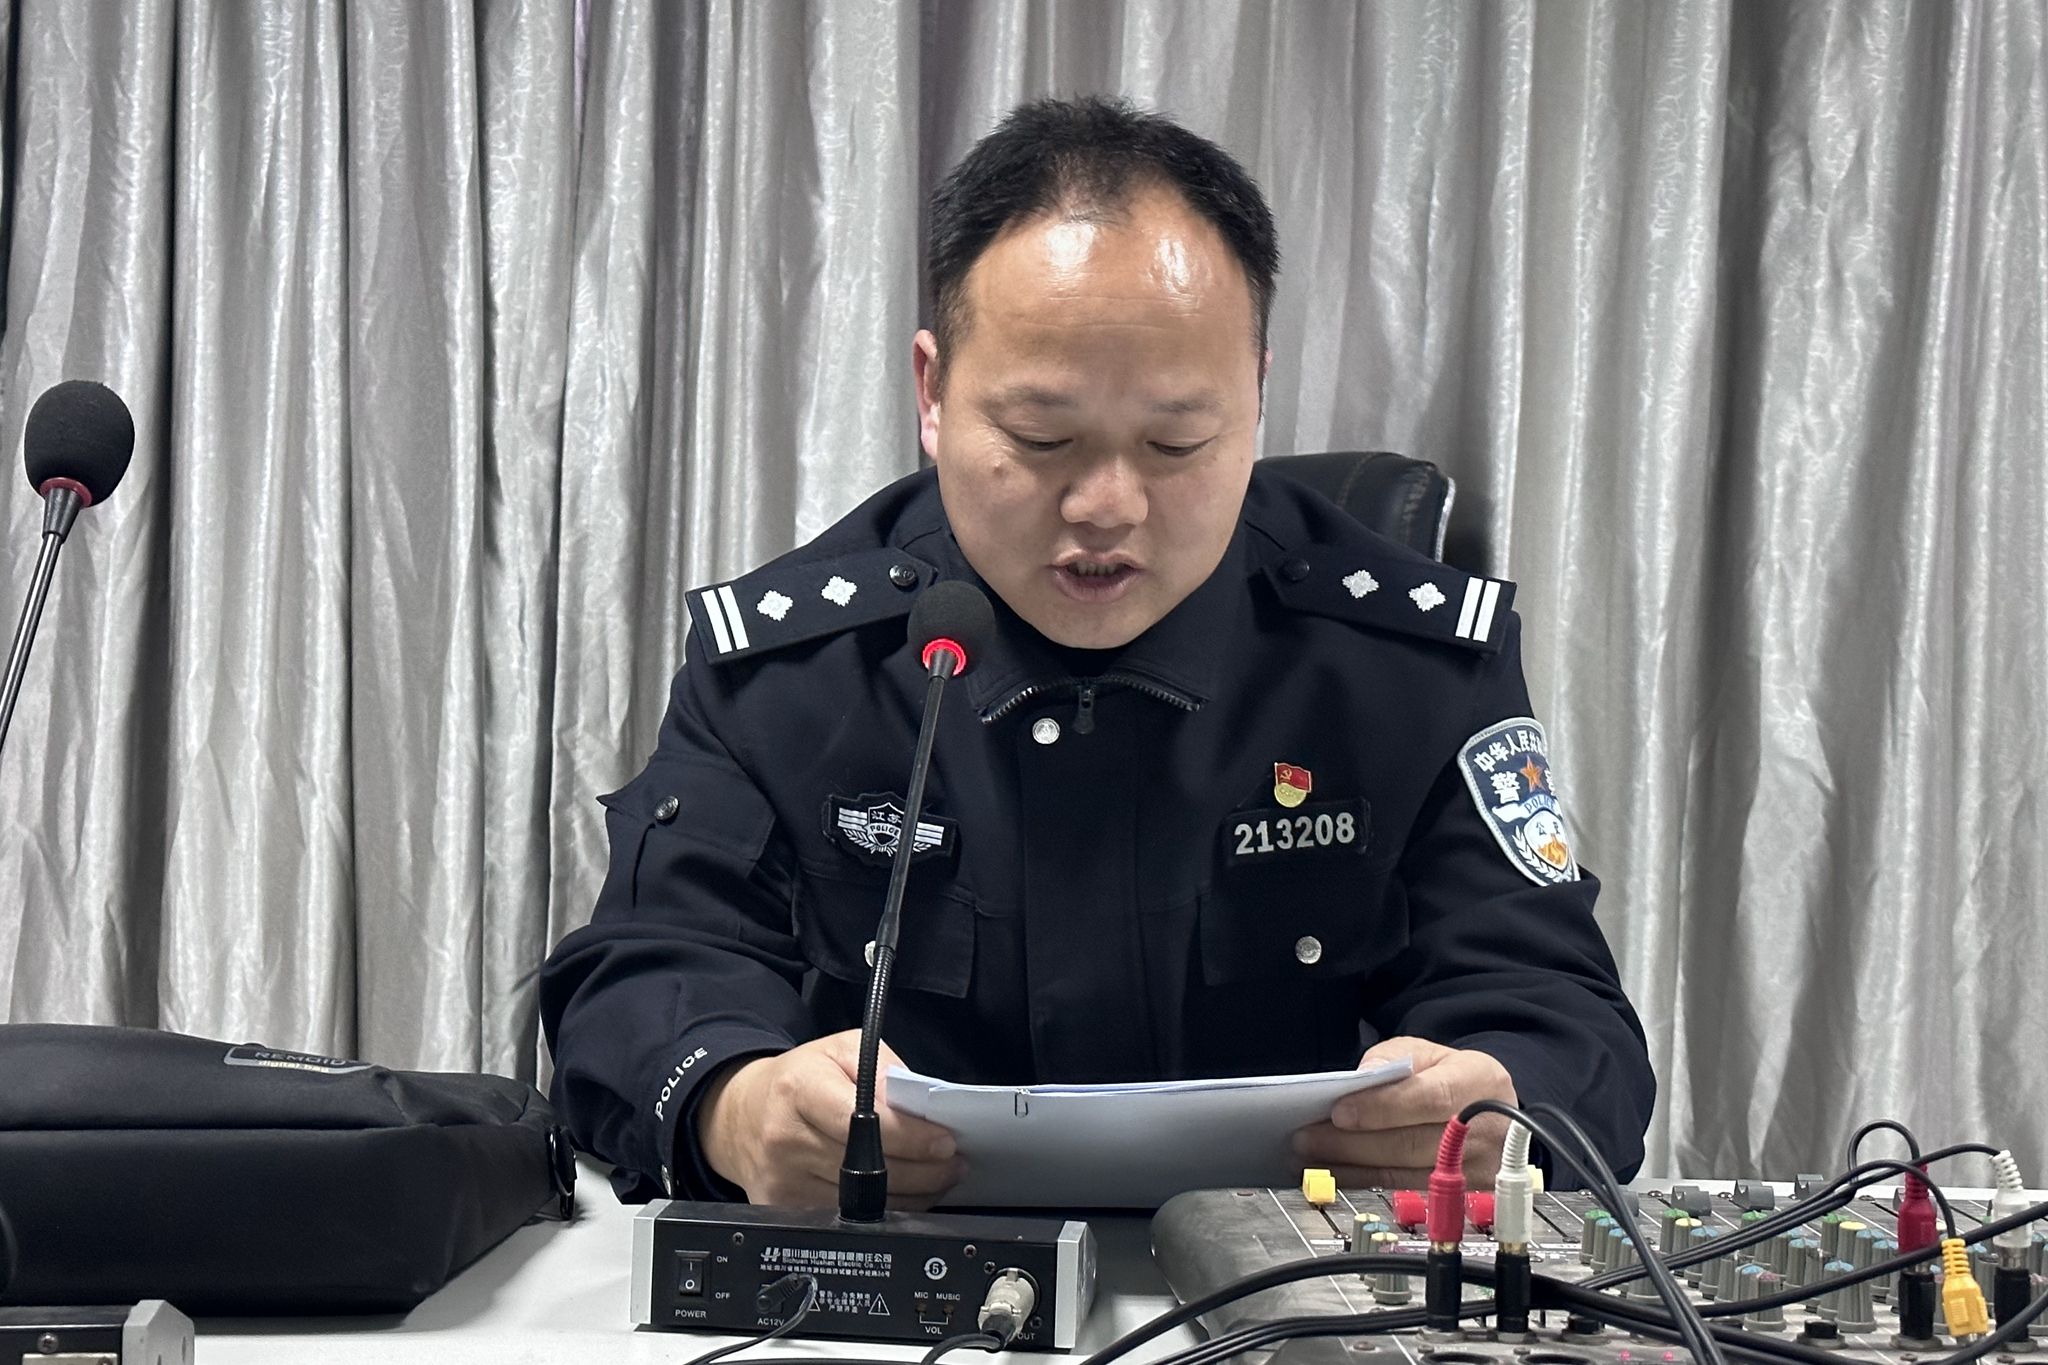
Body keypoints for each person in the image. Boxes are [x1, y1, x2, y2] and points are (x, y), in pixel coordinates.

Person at [540, 96, 1654, 1207]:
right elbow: (643, 973)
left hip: (1291, 1272)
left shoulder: (1406, 665)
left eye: (1176, 441)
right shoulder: (789, 668)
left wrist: (1504, 1110)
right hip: (895, 1274)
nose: (1106, 505)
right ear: (933, 393)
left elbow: (1557, 1010)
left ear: (1257, 396)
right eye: (1042, 438)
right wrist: (733, 1106)